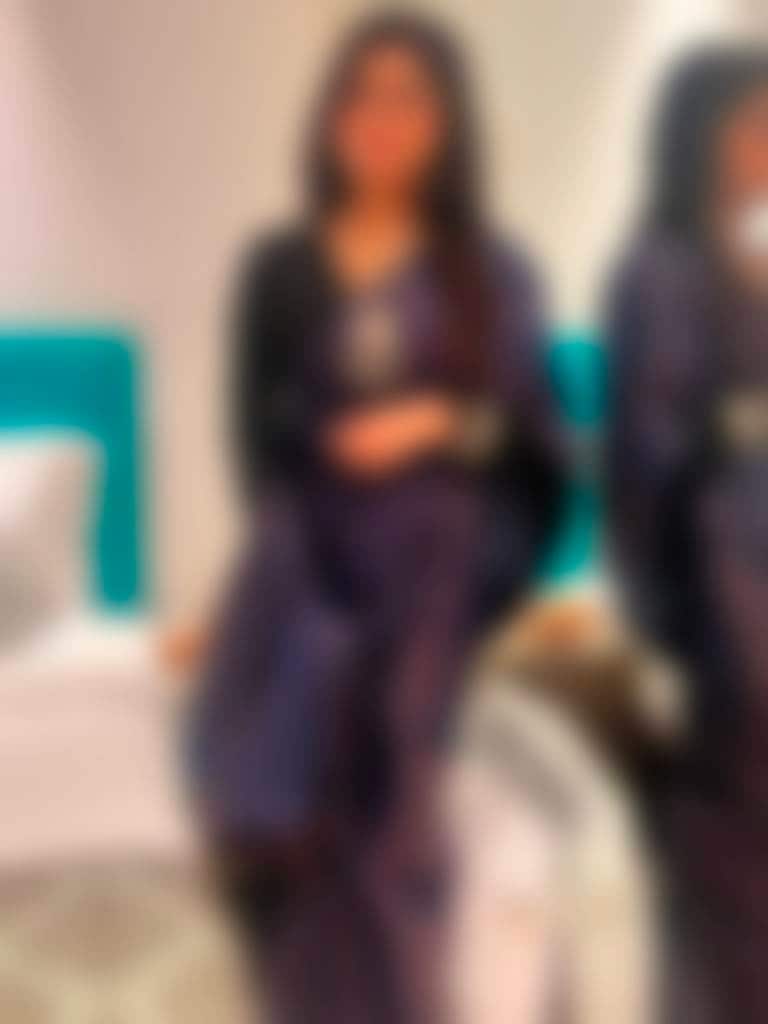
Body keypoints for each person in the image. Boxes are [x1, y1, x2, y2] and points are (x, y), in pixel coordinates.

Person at [191, 12, 564, 1023]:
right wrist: (295, 597)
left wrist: (439, 420)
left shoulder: (490, 274)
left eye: (408, 96)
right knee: (293, 823)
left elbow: (532, 445)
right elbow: (252, 450)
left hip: (427, 595)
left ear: (448, 121)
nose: (380, 117)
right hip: (306, 585)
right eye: (359, 93)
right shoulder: (279, 265)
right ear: (329, 115)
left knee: (397, 826)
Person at [607, 45, 768, 1023]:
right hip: (721, 602)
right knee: (729, 866)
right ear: (700, 136)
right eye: (753, 124)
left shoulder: (751, 263)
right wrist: (668, 627)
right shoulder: (659, 272)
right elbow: (648, 467)